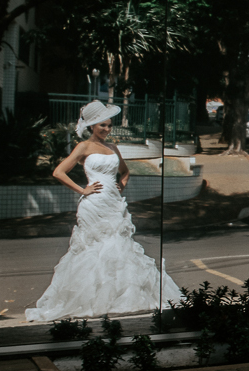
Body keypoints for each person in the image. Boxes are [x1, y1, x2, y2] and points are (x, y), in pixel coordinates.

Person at [26, 101, 184, 322]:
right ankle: (90, 300)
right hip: (94, 204)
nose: (107, 129)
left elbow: (125, 172)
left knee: (119, 247)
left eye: (109, 125)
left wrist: (121, 184)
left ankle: (116, 298)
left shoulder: (113, 148)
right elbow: (58, 172)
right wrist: (83, 189)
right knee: (94, 249)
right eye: (102, 125)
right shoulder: (83, 147)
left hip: (113, 203)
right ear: (91, 126)